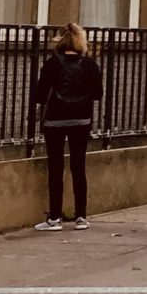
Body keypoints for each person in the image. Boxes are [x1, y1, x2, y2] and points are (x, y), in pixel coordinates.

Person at [33, 23, 103, 229]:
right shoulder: (89, 65)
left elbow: (40, 94)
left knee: (56, 167)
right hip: (81, 120)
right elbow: (98, 93)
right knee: (78, 166)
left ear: (60, 43)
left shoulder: (52, 64)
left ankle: (55, 217)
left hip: (55, 119)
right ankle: (81, 216)